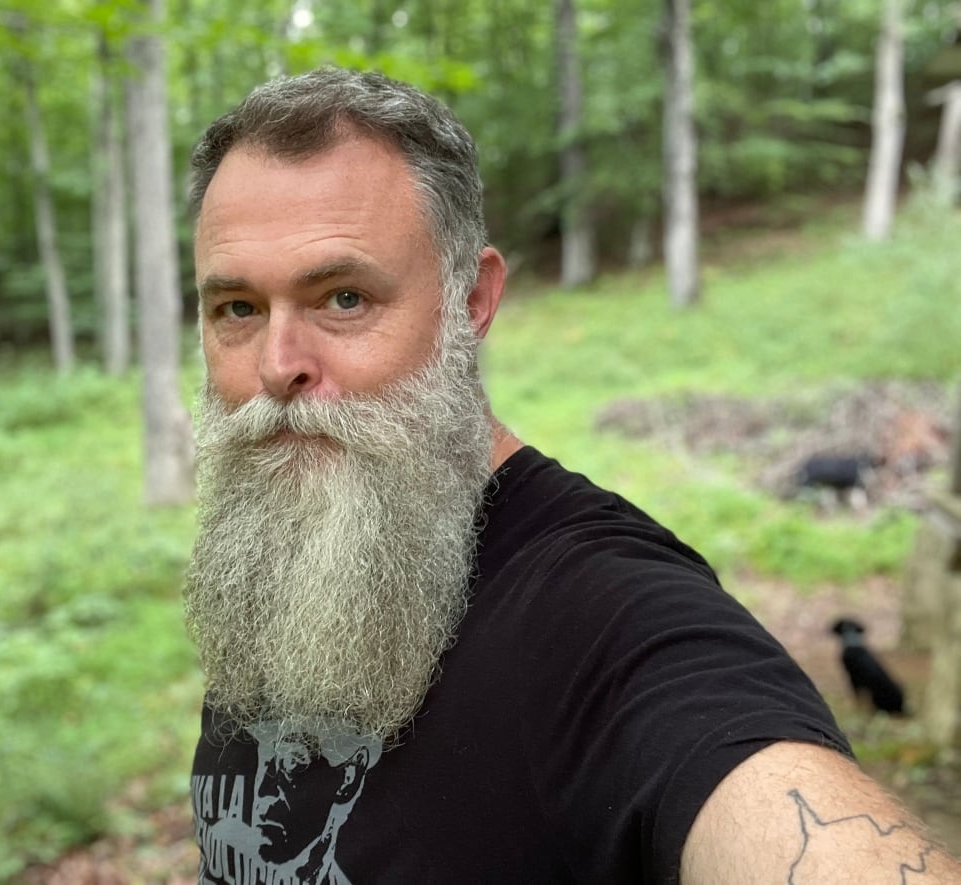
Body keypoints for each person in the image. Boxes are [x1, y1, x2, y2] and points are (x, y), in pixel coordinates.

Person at [183, 67, 961, 884]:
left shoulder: (605, 613)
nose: (277, 366)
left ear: (471, 300)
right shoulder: (292, 547)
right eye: (236, 309)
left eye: (343, 298)